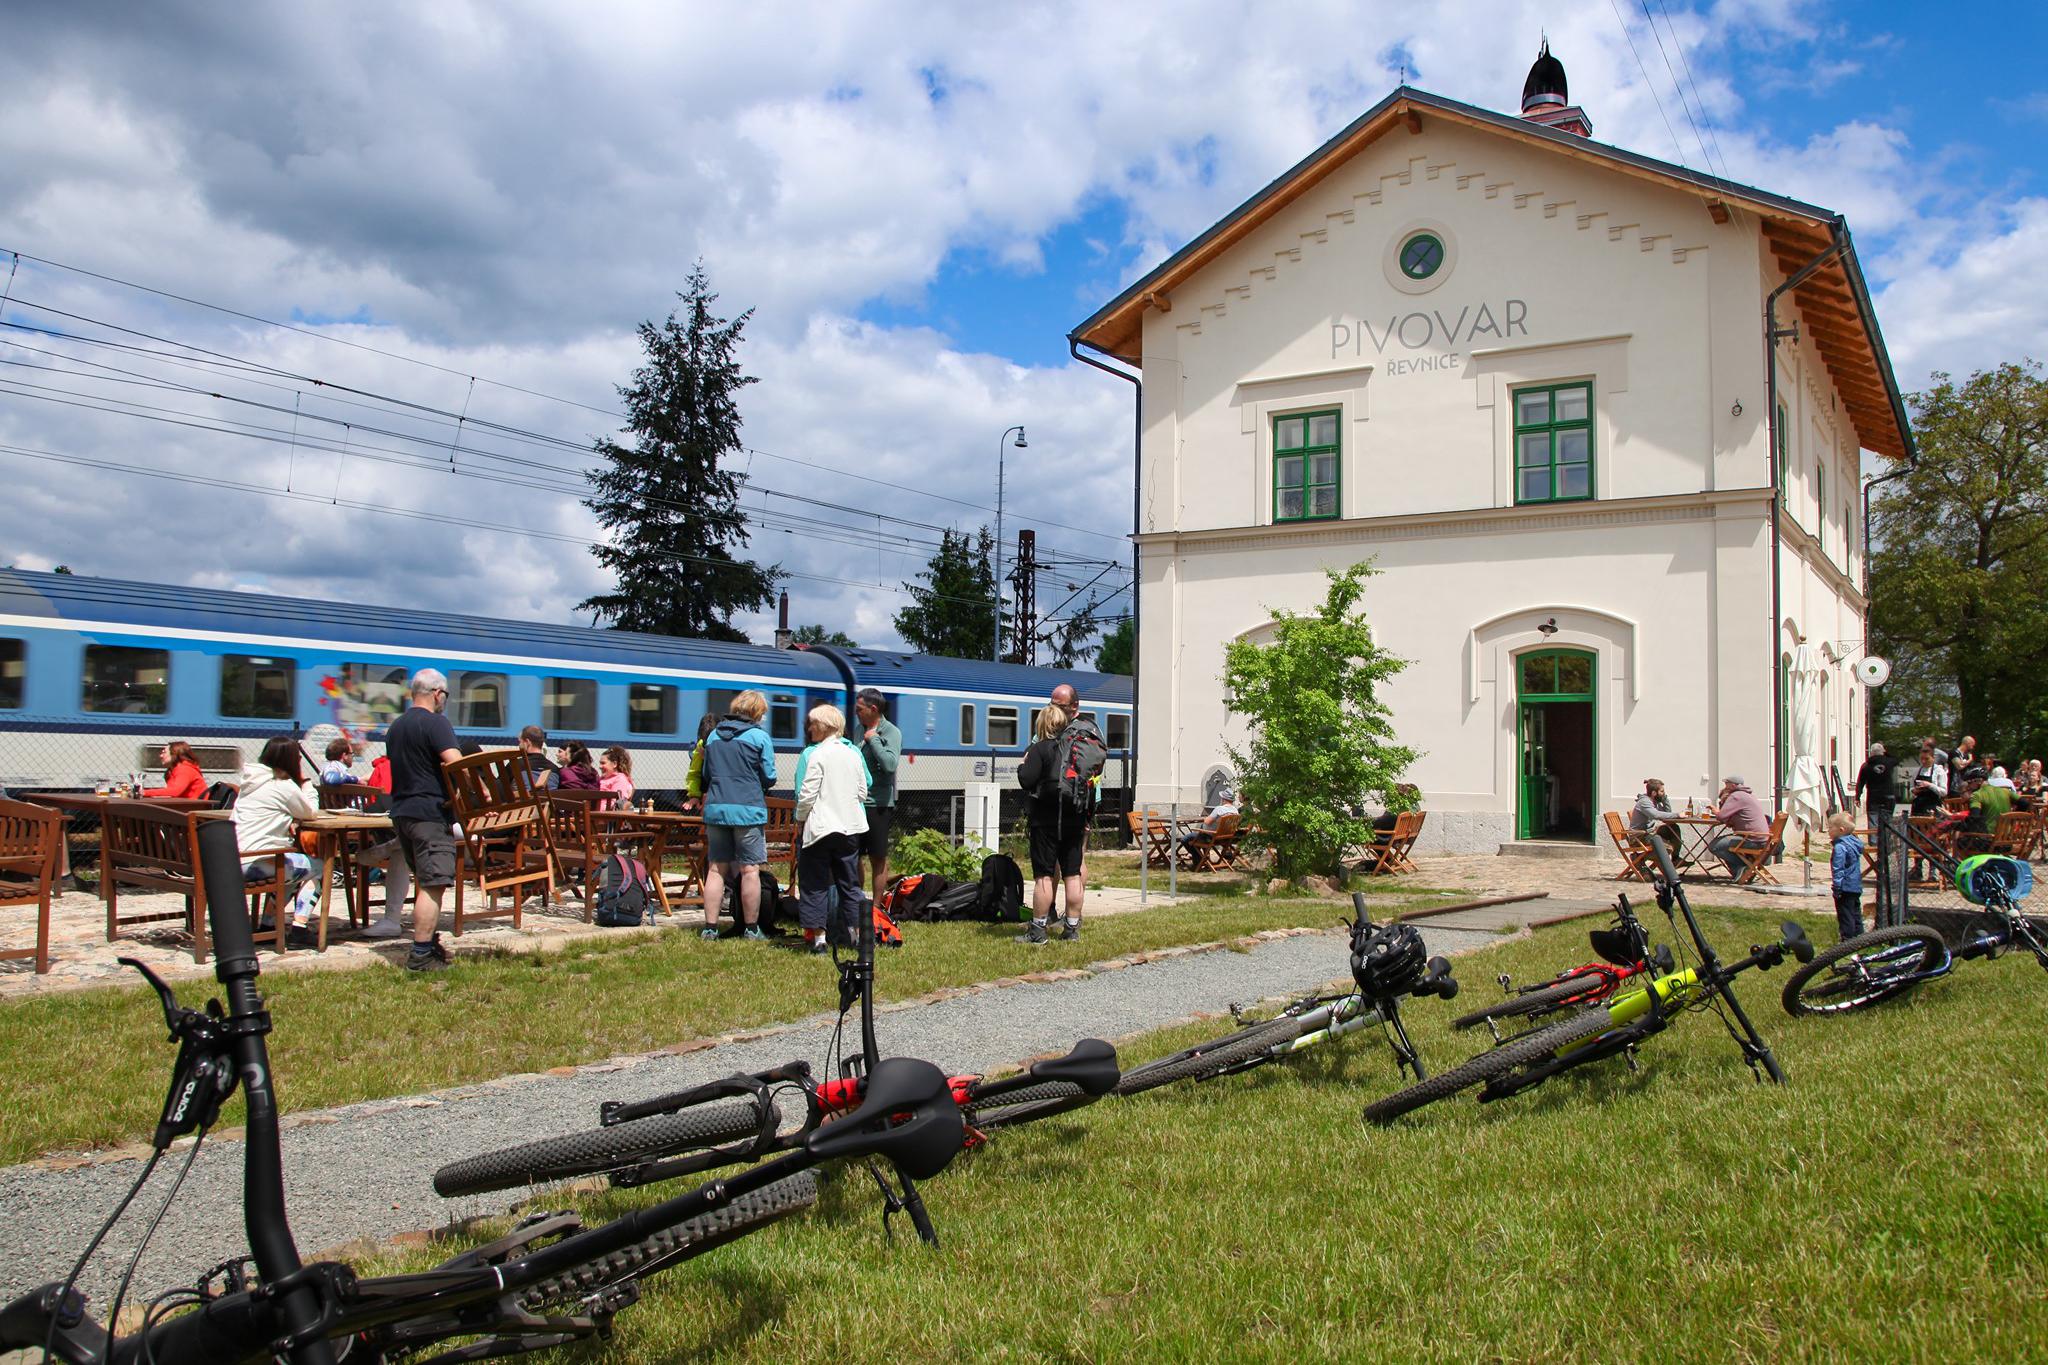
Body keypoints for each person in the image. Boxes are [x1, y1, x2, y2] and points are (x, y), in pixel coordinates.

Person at [384, 668, 463, 973]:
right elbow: (456, 763)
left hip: (402, 812)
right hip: (430, 813)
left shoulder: (397, 727)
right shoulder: (435, 722)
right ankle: (420, 956)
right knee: (433, 885)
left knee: (424, 881)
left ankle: (428, 944)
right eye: (445, 695)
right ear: (436, 693)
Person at [699, 690, 776, 942]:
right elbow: (769, 776)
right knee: (750, 869)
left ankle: (710, 927)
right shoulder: (759, 737)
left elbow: (707, 774)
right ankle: (751, 928)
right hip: (748, 810)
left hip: (717, 807)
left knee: (716, 869)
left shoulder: (712, 737)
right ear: (757, 713)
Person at [793, 704, 870, 954]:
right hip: (850, 829)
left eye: (813, 724)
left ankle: (819, 940)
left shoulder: (817, 754)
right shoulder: (853, 754)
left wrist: (800, 818)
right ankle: (858, 935)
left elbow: (806, 795)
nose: (809, 728)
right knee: (850, 883)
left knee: (815, 883)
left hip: (821, 829)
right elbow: (862, 792)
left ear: (824, 726)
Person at [231, 735, 321, 947]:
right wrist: (307, 784)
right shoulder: (283, 784)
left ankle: (269, 926)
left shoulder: (250, 782)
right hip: (256, 862)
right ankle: (299, 927)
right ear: (291, 760)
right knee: (321, 866)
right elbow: (310, 812)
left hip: (233, 860)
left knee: (290, 865)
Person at [1017, 703, 1089, 944]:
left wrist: (1022, 765)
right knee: (1072, 875)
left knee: (1044, 876)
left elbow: (1026, 780)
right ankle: (1071, 929)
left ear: (1043, 725)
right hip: (1074, 821)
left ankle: (1038, 931)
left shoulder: (1040, 749)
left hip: (1046, 823)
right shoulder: (1077, 750)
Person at [852, 688, 901, 901]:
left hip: (878, 804)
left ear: (873, 709)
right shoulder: (856, 729)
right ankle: (857, 902)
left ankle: (877, 908)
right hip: (855, 803)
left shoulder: (891, 732)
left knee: (877, 857)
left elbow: (890, 765)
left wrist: (873, 740)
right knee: (853, 856)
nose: (856, 713)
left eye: (859, 709)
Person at [1706, 775, 1772, 877]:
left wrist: (1715, 810)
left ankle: (1744, 867)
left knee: (1715, 846)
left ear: (1732, 785)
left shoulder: (1736, 796)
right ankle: (1741, 872)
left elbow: (1721, 816)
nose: (1725, 786)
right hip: (1762, 838)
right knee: (1724, 844)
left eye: (1726, 783)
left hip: (1752, 839)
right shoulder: (1748, 795)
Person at [1827, 810, 1865, 942]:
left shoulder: (1840, 847)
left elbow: (1838, 868)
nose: (1828, 831)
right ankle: (1860, 938)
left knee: (1845, 915)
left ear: (1841, 830)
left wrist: (1837, 886)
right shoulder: (1855, 843)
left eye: (1830, 828)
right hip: (1856, 885)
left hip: (1845, 886)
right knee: (1855, 913)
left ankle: (1847, 940)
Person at [1180, 786, 1240, 860]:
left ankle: (1198, 858)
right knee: (1197, 835)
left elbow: (1207, 821)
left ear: (1224, 799)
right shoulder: (1235, 811)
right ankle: (1204, 857)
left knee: (1185, 839)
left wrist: (1207, 817)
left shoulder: (1219, 809)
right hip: (1224, 838)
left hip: (1211, 838)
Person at [1629, 777, 1681, 857]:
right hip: (1640, 837)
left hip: (1649, 833)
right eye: (1662, 791)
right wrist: (1677, 815)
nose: (1663, 793)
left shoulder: (1654, 802)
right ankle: (1639, 858)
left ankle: (1675, 859)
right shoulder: (1644, 802)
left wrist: (1665, 799)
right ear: (1654, 793)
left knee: (1673, 827)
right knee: (1668, 848)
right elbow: (1656, 815)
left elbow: (1666, 813)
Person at [142, 741, 208, 800]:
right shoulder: (170, 771)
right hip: (185, 805)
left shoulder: (184, 769)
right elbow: (171, 792)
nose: (160, 756)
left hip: (197, 807)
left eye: (164, 752)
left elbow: (174, 791)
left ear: (174, 754)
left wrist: (143, 792)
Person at [682, 712, 720, 813]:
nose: (706, 745)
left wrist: (708, 758)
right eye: (704, 741)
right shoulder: (700, 747)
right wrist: (694, 796)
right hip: (704, 795)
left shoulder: (724, 748)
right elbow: (694, 773)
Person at [1852, 742, 1899, 822]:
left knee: (1873, 820)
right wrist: (1886, 752)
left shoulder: (1866, 765)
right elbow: (1896, 759)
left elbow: (1861, 782)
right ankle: (1885, 834)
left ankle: (1873, 834)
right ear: (1883, 752)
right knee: (1887, 821)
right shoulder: (1889, 762)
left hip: (1873, 796)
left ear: (1871, 753)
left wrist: (1858, 796)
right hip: (1888, 794)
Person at [518, 725, 559, 791]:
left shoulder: (516, 765)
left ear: (527, 742)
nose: (519, 746)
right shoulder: (554, 769)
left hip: (525, 801)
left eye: (520, 742)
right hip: (548, 801)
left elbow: (500, 789)